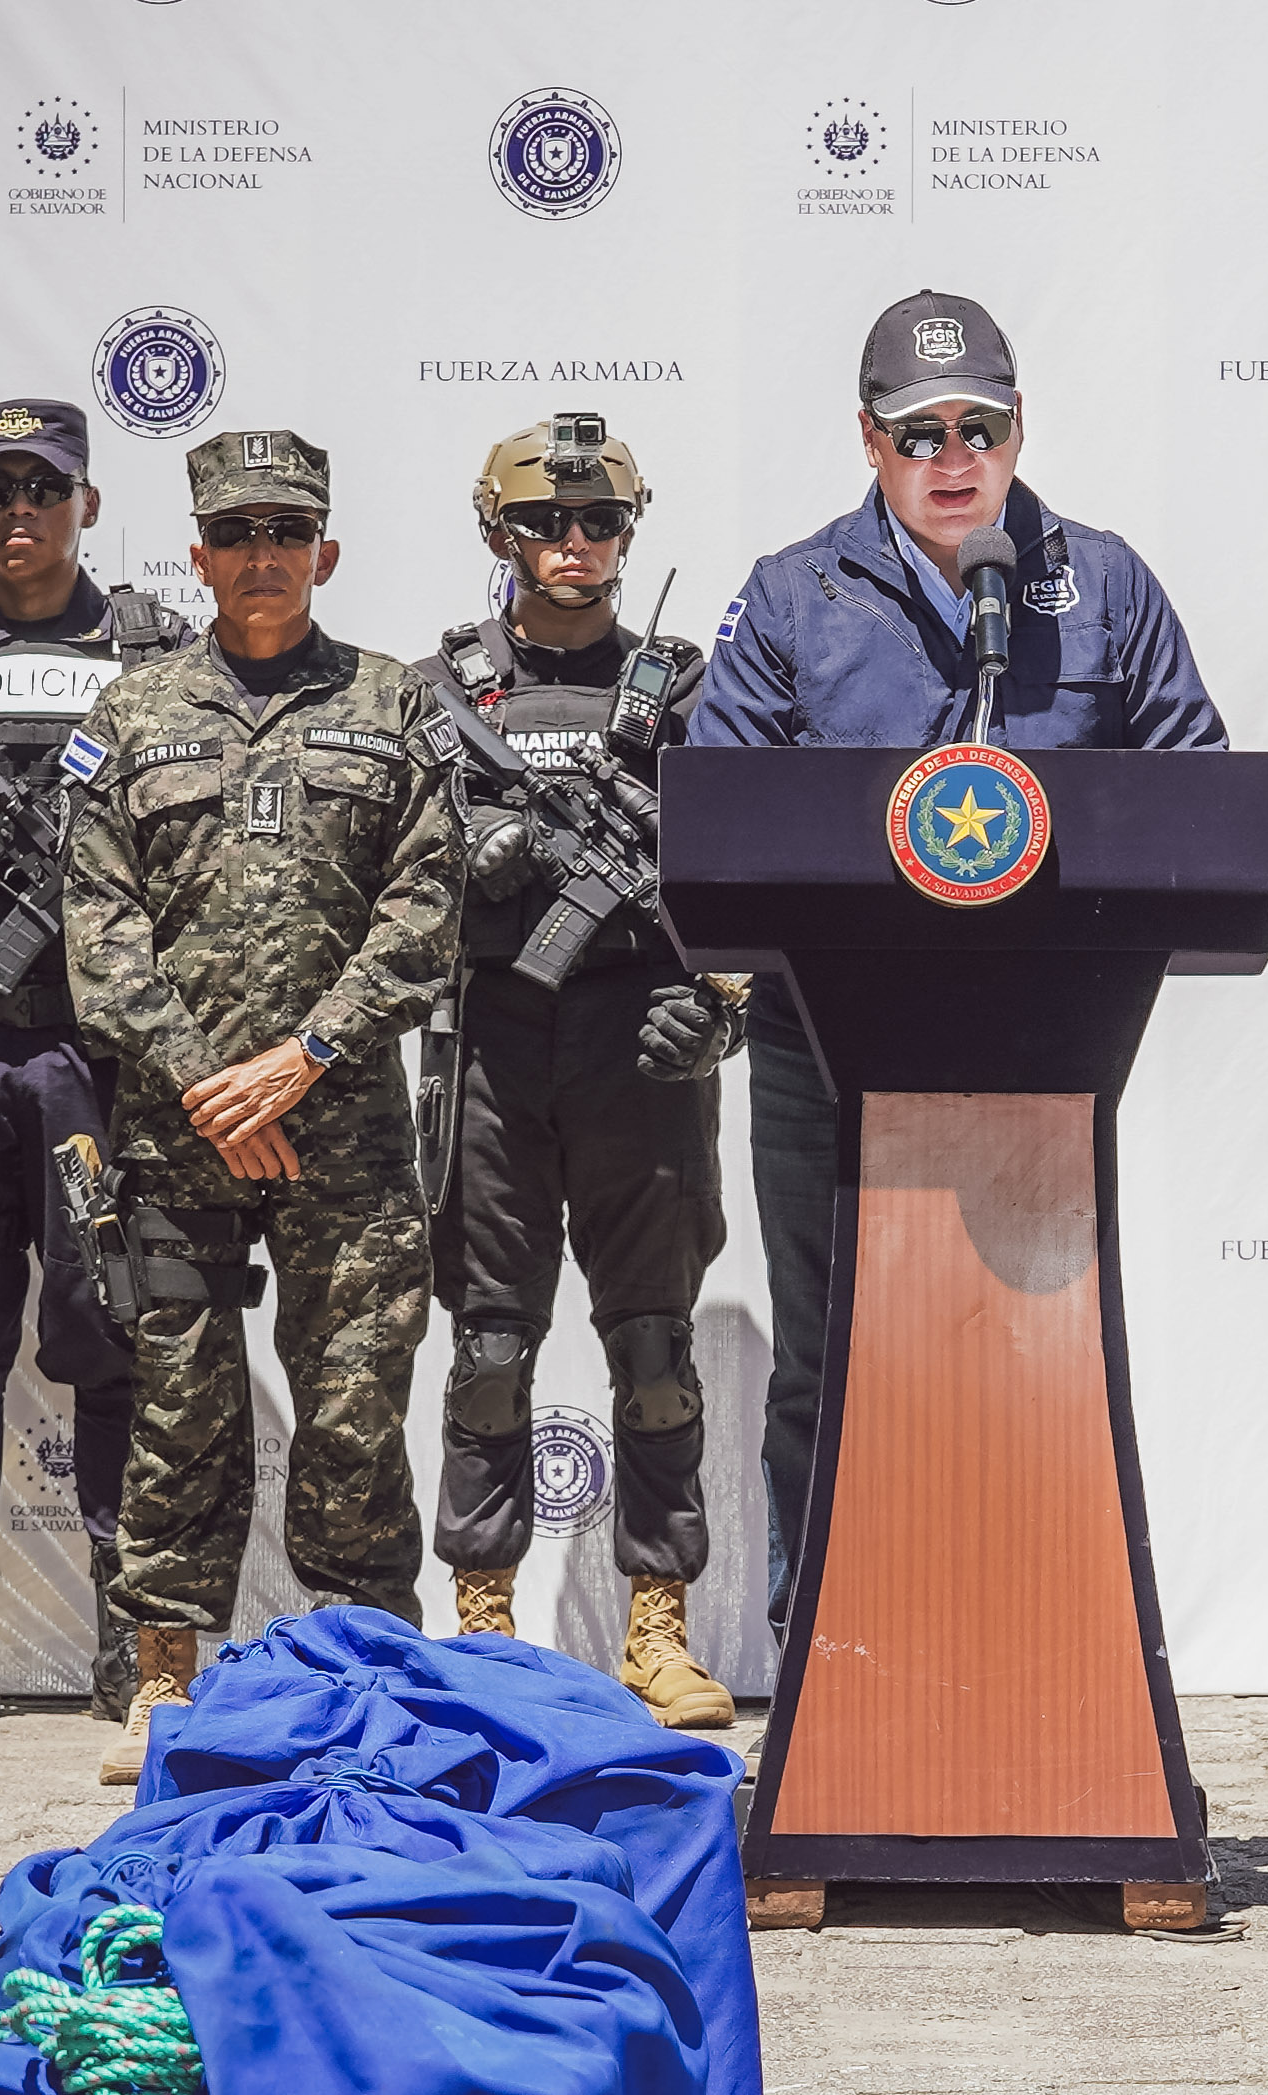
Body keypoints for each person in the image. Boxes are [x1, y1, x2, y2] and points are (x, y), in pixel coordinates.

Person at [692, 289, 1225, 1647]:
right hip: (825, 1042)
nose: (952, 456)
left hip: (1041, 1039)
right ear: (869, 441)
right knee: (828, 1351)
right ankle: (825, 1655)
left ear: (1018, 429)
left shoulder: (1102, 583)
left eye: (977, 427)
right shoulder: (792, 593)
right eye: (919, 430)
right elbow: (715, 813)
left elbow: (1197, 795)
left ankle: (1036, 1642)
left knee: (1032, 1354)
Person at [64, 429, 459, 1784]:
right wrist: (204, 1078)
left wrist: (304, 1056)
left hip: (343, 1125)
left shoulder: (393, 701)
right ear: (199, 555)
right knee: (179, 1401)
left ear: (324, 552)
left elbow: (426, 908)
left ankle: (363, 1674)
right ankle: (163, 1677)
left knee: (352, 1406)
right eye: (236, 534)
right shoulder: (131, 714)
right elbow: (97, 921)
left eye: (286, 532)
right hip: (178, 1129)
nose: (262, 555)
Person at [412, 414, 738, 1727]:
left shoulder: (689, 690)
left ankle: (657, 1624)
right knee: (491, 1346)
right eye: (545, 522)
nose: (574, 543)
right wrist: (467, 867)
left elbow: (743, 884)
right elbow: (376, 879)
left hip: (640, 1044)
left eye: (600, 521)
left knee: (654, 1348)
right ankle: (484, 1624)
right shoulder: (436, 693)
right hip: (493, 1038)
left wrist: (717, 1012)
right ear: (498, 531)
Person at [0, 400, 193, 1729]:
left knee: (110, 1330)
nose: (23, 512)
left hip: (97, 1049)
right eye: (0, 491)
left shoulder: (155, 653)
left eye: (46, 489)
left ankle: (132, 1633)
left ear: (88, 504)